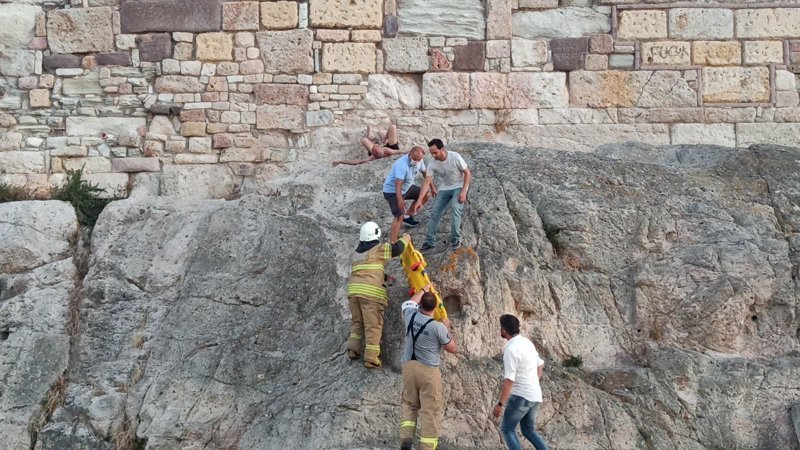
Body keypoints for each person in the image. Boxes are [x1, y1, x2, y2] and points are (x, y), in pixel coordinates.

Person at [399, 284, 457, 450]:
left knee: (409, 403)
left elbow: (410, 302)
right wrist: (447, 328)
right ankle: (426, 446)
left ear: (420, 305)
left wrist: (424, 289)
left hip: (409, 366)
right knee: (430, 409)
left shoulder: (410, 315)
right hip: (428, 370)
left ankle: (406, 440)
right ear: (435, 308)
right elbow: (452, 348)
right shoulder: (438, 327)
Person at [347, 222, 411, 369]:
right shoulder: (378, 249)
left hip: (353, 293)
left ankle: (353, 349)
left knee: (357, 322)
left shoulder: (356, 254)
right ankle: (371, 358)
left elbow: (366, 271)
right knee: (373, 325)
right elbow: (397, 249)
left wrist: (384, 276)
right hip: (371, 294)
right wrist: (406, 238)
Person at [492, 314, 549, 450]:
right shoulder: (526, 342)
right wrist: (533, 382)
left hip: (521, 396)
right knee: (529, 431)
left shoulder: (511, 350)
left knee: (507, 429)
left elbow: (509, 380)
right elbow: (540, 365)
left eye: (501, 327)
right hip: (535, 395)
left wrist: (500, 404)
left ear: (504, 330)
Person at [412, 139, 472, 252]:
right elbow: (426, 182)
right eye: (431, 153)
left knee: (455, 207)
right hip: (445, 188)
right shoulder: (432, 163)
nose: (433, 155)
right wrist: (419, 200)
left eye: (435, 152)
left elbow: (467, 173)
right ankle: (430, 241)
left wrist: (464, 191)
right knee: (435, 212)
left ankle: (455, 239)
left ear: (442, 149)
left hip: (459, 186)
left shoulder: (455, 157)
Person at [383, 146, 430, 243]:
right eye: (414, 159)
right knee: (399, 215)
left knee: (425, 194)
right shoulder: (401, 164)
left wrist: (433, 188)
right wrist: (400, 200)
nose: (416, 161)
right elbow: (398, 184)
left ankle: (407, 216)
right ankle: (393, 243)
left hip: (407, 188)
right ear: (409, 154)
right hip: (392, 191)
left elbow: (426, 174)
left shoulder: (420, 161)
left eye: (419, 159)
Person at [333, 124, 406, 166]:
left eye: (375, 146)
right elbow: (403, 152)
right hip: (391, 147)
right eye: (375, 147)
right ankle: (380, 137)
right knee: (392, 127)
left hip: (389, 148)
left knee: (364, 140)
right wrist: (340, 161)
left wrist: (341, 161)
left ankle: (377, 137)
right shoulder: (381, 154)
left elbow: (357, 162)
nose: (376, 147)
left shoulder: (376, 155)